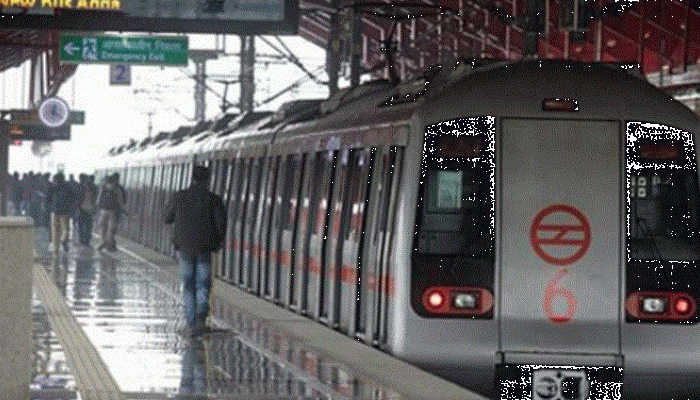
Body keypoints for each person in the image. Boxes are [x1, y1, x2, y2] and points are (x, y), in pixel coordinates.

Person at [164, 165, 226, 337]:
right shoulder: (214, 200)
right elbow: (221, 225)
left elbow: (167, 218)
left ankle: (191, 323)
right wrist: (218, 242)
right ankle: (201, 319)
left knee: (188, 285)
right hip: (205, 248)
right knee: (203, 284)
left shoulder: (179, 197)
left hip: (184, 248)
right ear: (208, 180)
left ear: (192, 178)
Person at [45, 172, 75, 252]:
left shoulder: (53, 187)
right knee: (66, 230)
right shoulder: (68, 187)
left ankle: (56, 248)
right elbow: (73, 199)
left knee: (56, 231)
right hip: (65, 212)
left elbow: (47, 199)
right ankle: (64, 241)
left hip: (55, 212)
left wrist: (50, 208)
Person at [96, 173, 126, 251]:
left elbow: (98, 200)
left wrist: (97, 209)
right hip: (113, 212)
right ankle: (109, 245)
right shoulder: (117, 189)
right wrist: (124, 210)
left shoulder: (103, 188)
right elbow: (121, 202)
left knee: (102, 228)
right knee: (111, 229)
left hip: (103, 211)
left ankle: (102, 242)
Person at [77, 174, 98, 247]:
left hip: (87, 209)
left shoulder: (93, 188)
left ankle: (84, 240)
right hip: (84, 208)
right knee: (84, 225)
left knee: (86, 225)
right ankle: (84, 240)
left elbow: (95, 199)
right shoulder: (83, 187)